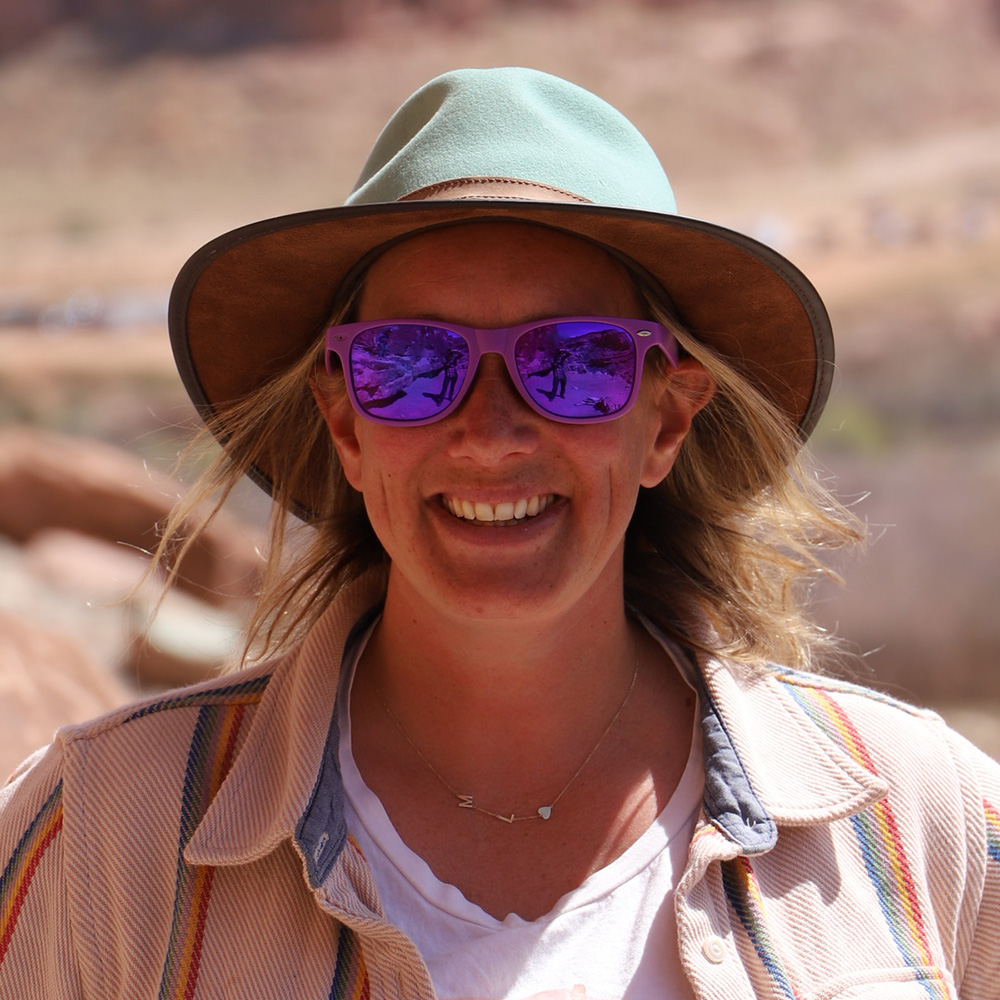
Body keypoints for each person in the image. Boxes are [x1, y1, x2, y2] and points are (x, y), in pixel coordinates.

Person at [1, 66, 998, 1000]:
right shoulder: (102, 841)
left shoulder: (925, 826)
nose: (489, 432)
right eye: (411, 363)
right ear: (346, 422)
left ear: (664, 421)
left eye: (574, 361)